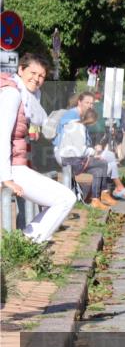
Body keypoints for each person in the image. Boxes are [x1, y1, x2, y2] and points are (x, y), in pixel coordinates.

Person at [0, 53, 76, 243]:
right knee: (65, 198)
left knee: (64, 199)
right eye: (32, 72)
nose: (37, 79)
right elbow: (2, 135)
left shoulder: (29, 98)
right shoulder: (13, 94)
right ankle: (28, 243)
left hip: (17, 165)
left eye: (41, 76)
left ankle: (27, 242)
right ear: (20, 70)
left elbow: (43, 124)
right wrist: (6, 178)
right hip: (11, 168)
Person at [55, 92, 114, 210]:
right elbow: (80, 150)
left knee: (99, 167)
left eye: (91, 103)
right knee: (102, 164)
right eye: (87, 102)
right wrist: (93, 153)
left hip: (70, 157)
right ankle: (98, 196)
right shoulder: (77, 125)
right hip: (71, 160)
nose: (90, 105)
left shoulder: (76, 124)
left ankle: (96, 198)